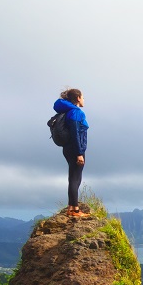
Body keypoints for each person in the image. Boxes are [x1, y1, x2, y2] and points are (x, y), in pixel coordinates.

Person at [54, 88, 89, 217]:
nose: (84, 100)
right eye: (83, 97)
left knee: (73, 177)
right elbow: (75, 133)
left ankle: (71, 207)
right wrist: (79, 153)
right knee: (76, 178)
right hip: (75, 149)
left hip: (68, 148)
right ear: (78, 98)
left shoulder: (68, 111)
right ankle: (75, 210)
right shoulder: (76, 112)